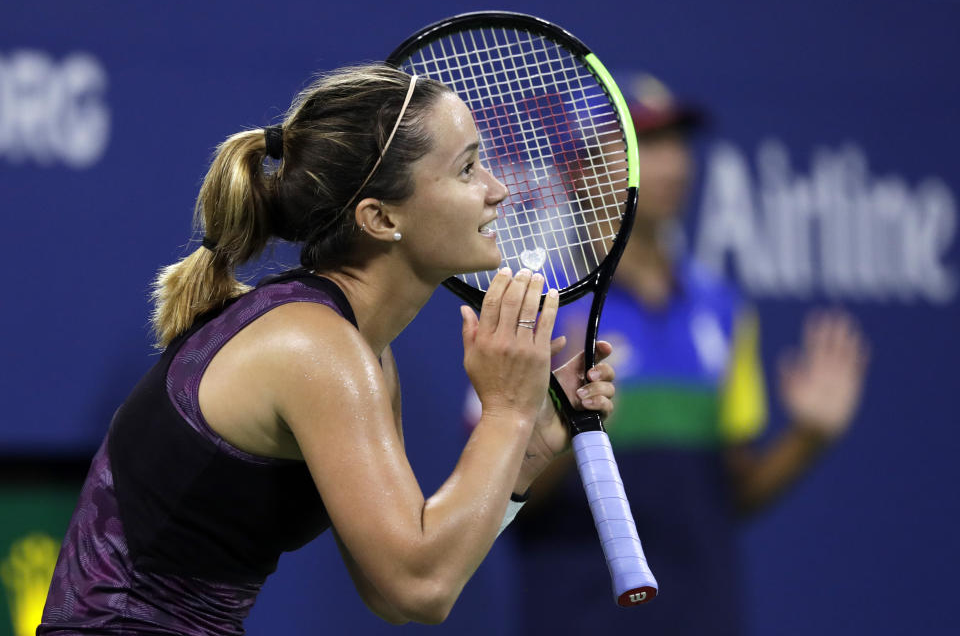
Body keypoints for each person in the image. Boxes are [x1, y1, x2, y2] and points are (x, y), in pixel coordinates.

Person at [37, 65, 619, 635]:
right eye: (466, 169)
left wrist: (530, 448)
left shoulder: (358, 349)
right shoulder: (315, 349)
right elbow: (420, 588)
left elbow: (393, 586)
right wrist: (507, 410)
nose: (499, 189)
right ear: (381, 217)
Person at [509, 74, 870, 634]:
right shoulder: (538, 311)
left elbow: (729, 494)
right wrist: (566, 427)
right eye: (644, 144)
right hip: (576, 619)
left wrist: (807, 438)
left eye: (677, 143)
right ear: (582, 171)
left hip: (708, 617)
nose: (674, 164)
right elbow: (499, 504)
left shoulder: (724, 311)